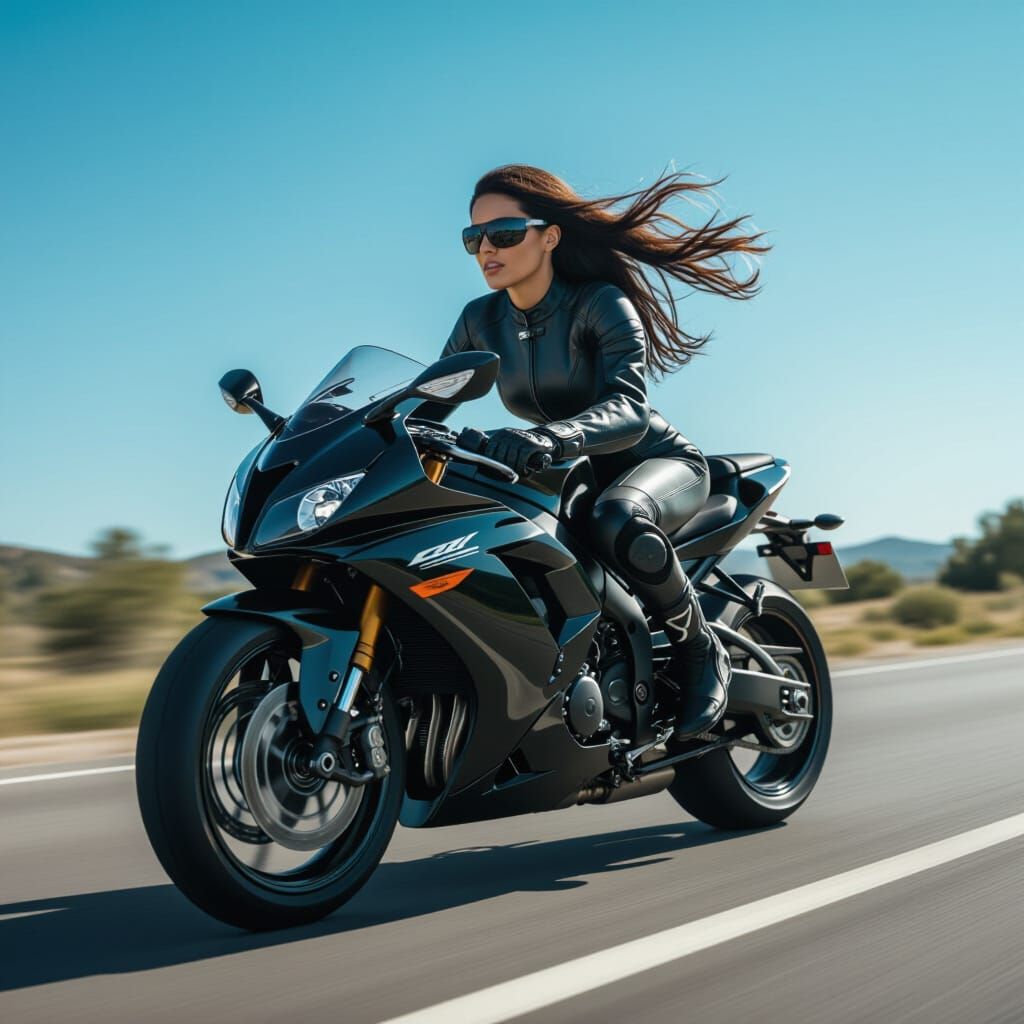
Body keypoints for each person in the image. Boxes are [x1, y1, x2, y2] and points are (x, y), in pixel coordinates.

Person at [424, 164, 770, 739]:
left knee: (617, 518)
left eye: (505, 233)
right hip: (569, 469)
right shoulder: (479, 321)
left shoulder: (599, 302)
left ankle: (699, 649)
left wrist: (548, 436)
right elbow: (428, 405)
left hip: (656, 463)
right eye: (474, 238)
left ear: (549, 236)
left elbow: (629, 410)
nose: (487, 248)